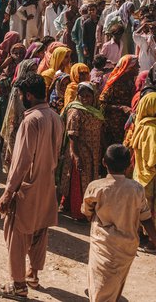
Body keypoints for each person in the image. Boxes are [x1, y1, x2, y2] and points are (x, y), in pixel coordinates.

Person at [0, 74, 63, 300]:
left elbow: (22, 160)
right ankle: (32, 275)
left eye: (21, 95)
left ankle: (19, 286)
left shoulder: (31, 120)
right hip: (47, 184)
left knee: (17, 235)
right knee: (40, 232)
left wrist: (9, 191)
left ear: (29, 95)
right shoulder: (55, 117)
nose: (20, 99)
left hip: (27, 187)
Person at [83, 144, 156, 302]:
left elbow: (86, 211)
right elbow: (146, 218)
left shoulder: (96, 187)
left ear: (104, 162)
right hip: (127, 247)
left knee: (99, 285)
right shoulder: (137, 189)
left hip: (102, 244)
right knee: (116, 282)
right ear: (130, 165)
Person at [59, 83, 104, 220]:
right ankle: (79, 212)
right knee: (79, 180)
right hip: (80, 150)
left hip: (93, 151)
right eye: (82, 96)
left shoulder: (96, 111)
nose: (85, 99)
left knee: (91, 178)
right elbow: (72, 135)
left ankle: (85, 207)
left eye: (88, 96)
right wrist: (76, 156)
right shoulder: (76, 110)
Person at [126, 92, 156, 248]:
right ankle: (154, 241)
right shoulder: (153, 129)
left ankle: (143, 236)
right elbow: (154, 157)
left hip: (142, 174)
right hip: (153, 175)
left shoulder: (142, 124)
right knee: (154, 208)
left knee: (143, 207)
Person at [0, 59, 39, 168]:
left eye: (35, 70)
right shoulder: (18, 88)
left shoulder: (35, 86)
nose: (34, 73)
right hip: (18, 123)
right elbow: (15, 109)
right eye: (31, 70)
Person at [99, 55, 139, 147]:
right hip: (114, 125)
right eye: (136, 65)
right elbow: (102, 104)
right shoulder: (114, 83)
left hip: (127, 122)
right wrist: (121, 108)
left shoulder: (131, 82)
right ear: (129, 67)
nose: (139, 68)